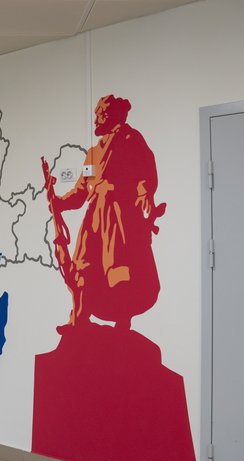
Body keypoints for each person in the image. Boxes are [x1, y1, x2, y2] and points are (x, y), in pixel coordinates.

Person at [43, 95, 165, 331]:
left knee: (119, 266)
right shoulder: (93, 153)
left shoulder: (130, 139)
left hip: (119, 216)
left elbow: (144, 169)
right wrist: (59, 203)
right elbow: (81, 191)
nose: (96, 120)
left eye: (100, 115)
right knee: (84, 265)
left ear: (112, 116)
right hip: (95, 218)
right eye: (96, 115)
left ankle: (122, 322)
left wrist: (144, 194)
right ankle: (79, 318)